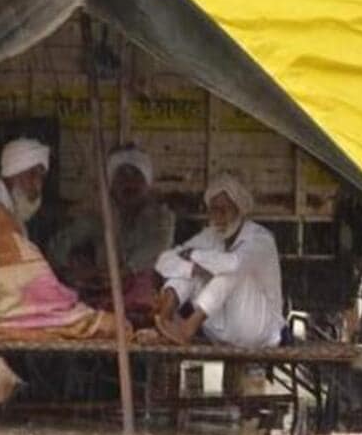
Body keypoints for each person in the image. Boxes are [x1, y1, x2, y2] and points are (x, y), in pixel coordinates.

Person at [151, 172, 283, 347]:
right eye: (214, 210)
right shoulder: (210, 236)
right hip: (218, 332)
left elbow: (232, 264)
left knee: (230, 271)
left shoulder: (260, 239)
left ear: (239, 209)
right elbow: (164, 261)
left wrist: (194, 255)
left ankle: (188, 328)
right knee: (186, 269)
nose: (218, 216)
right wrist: (191, 268)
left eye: (224, 210)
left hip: (258, 331)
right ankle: (165, 320)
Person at [48, 144, 175, 310]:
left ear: (147, 182)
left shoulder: (161, 216)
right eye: (121, 176)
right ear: (111, 183)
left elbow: (154, 249)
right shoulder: (99, 215)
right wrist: (74, 268)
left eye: (136, 176)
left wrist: (123, 272)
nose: (129, 183)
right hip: (104, 292)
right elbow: (57, 247)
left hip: (146, 295)